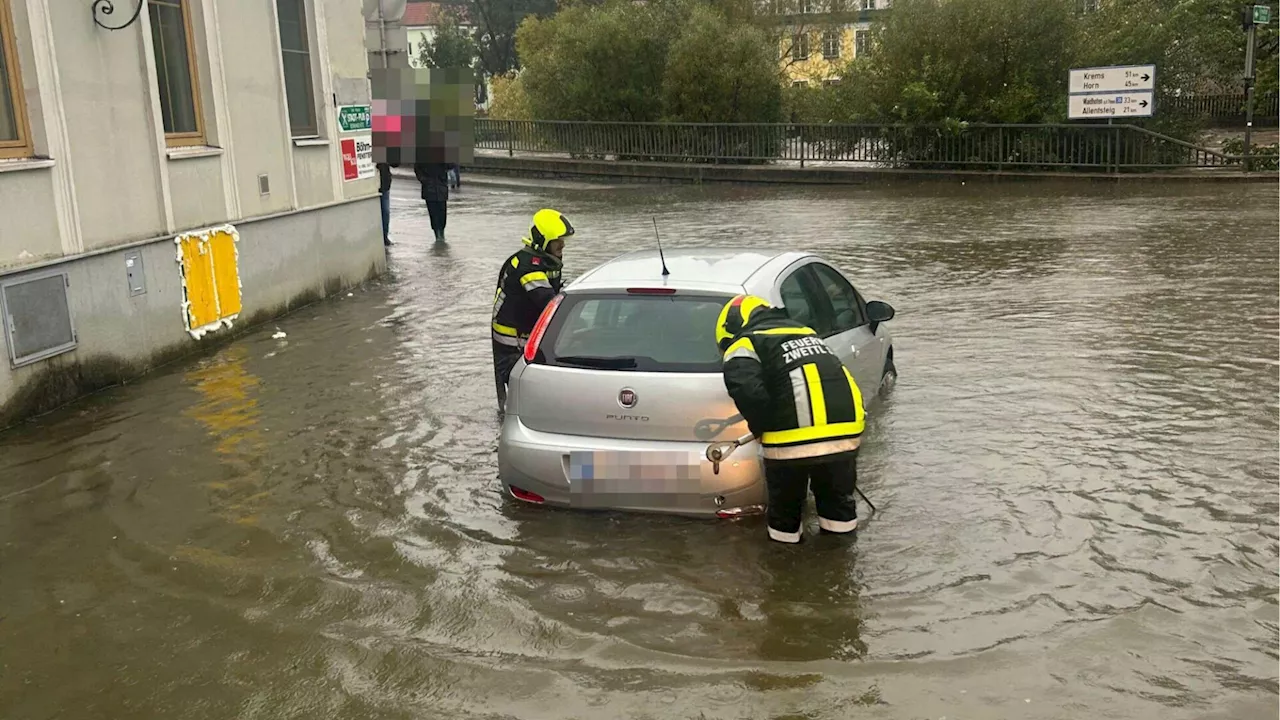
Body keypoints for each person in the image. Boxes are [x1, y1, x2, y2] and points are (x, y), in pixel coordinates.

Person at [715, 294, 865, 544]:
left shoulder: (744, 343)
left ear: (729, 327)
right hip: (845, 435)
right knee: (838, 504)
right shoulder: (807, 333)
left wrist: (761, 426)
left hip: (789, 441)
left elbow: (747, 390)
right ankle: (840, 565)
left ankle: (785, 567)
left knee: (785, 512)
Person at [491, 208, 574, 410]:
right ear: (543, 241)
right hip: (512, 340)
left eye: (563, 240)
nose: (562, 245)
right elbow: (549, 303)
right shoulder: (528, 266)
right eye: (557, 241)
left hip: (526, 333)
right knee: (520, 398)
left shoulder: (545, 260)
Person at [413, 161, 451, 242]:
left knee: (442, 212)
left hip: (441, 187)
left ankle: (442, 233)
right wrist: (423, 180)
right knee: (433, 213)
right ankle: (437, 235)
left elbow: (452, 164)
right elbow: (417, 168)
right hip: (429, 188)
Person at [376, 161, 397, 246]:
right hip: (371, 184)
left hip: (384, 184)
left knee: (385, 211)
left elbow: (396, 163)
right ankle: (378, 237)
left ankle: (384, 237)